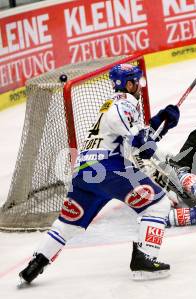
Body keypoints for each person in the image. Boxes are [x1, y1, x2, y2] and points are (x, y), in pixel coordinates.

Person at [18, 64, 180, 284]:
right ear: (129, 84)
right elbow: (141, 145)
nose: (140, 87)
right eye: (137, 82)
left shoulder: (113, 105)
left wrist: (161, 123)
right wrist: (162, 150)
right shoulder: (124, 105)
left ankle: (35, 264)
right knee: (158, 205)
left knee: (68, 224)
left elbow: (133, 139)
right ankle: (145, 260)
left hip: (84, 172)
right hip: (108, 168)